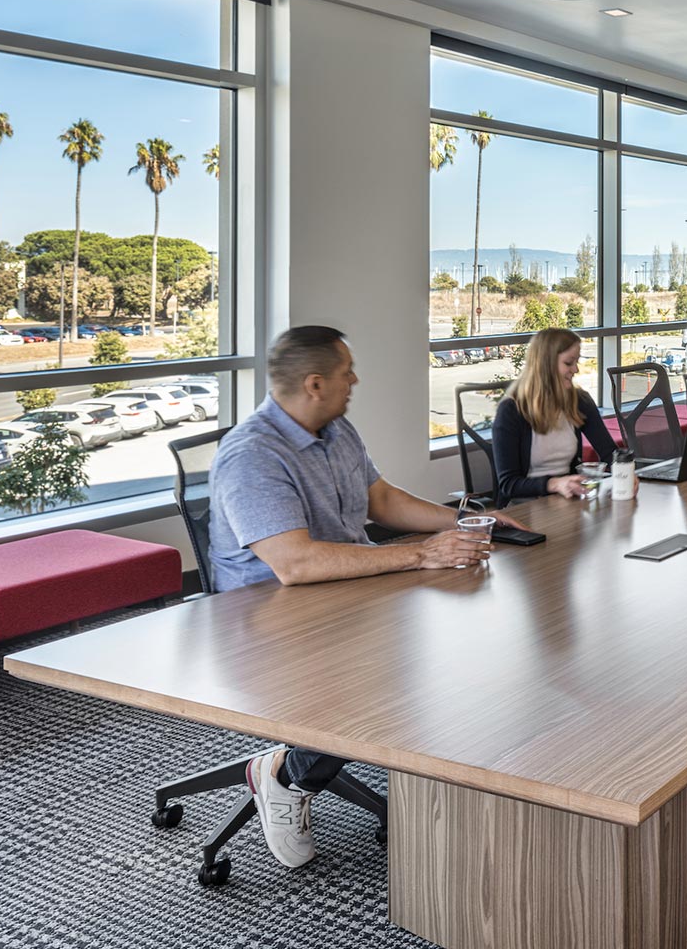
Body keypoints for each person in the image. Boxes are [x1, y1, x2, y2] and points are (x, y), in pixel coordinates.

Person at [206, 325, 524, 870]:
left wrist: (470, 519)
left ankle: (461, 788)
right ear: (313, 383)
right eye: (345, 372)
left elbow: (380, 499)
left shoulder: (336, 430)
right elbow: (296, 563)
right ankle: (283, 775)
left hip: (347, 589)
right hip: (270, 621)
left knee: (455, 644)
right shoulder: (253, 456)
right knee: (390, 678)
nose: (355, 380)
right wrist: (422, 555)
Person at [491, 327, 616, 501]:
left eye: (576, 362)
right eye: (569, 363)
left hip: (569, 500)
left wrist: (624, 472)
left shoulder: (580, 400)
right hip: (525, 505)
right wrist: (555, 484)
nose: (576, 369)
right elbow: (508, 484)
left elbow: (609, 452)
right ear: (546, 364)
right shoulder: (512, 410)